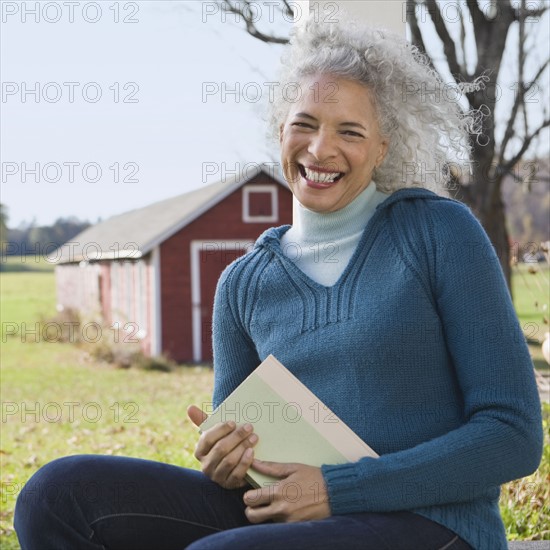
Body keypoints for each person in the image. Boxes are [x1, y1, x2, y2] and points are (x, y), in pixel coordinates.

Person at [14, 15, 542, 550]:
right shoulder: (243, 283)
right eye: (305, 124)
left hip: (433, 526)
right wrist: (227, 462)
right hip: (291, 518)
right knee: (57, 495)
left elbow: (513, 436)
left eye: (350, 132)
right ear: (281, 130)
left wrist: (336, 489)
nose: (319, 149)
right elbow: (244, 472)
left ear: (383, 148)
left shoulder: (438, 233)